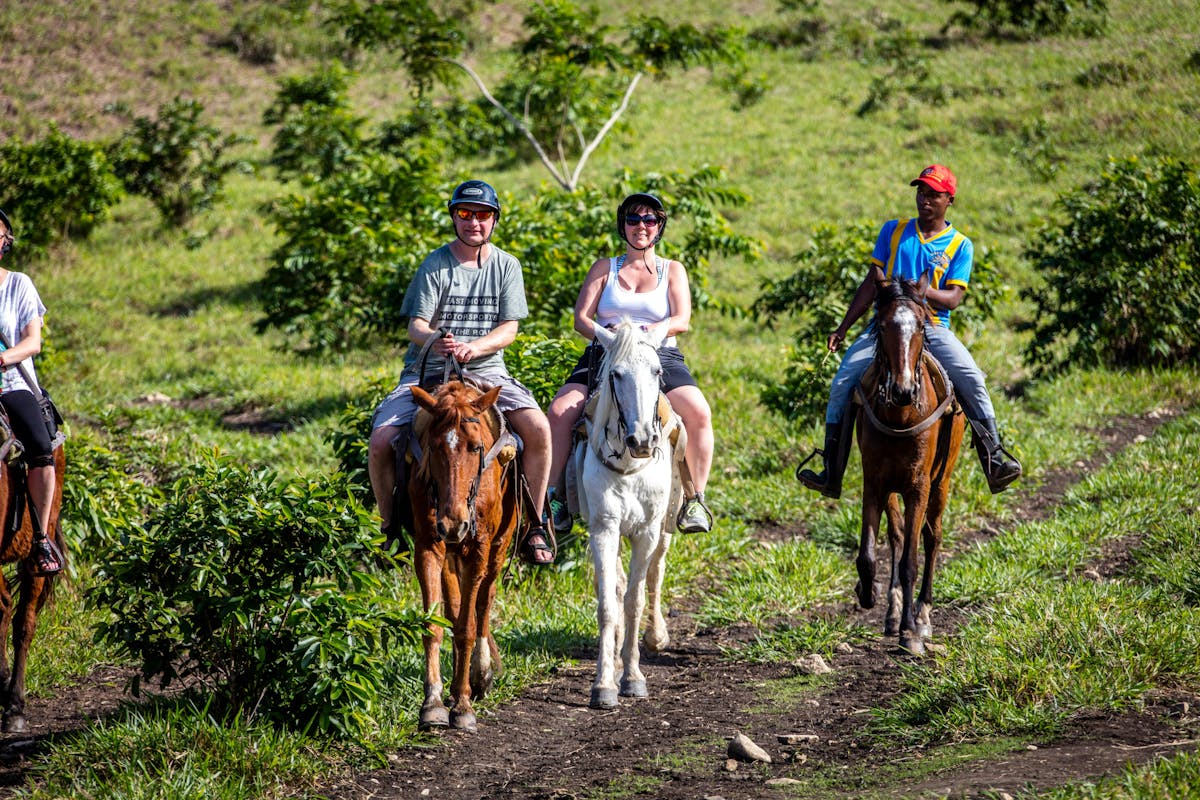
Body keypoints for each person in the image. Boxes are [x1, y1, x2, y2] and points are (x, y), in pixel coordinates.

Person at [797, 165, 1022, 498]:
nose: (925, 200)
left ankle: (994, 457)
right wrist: (843, 328)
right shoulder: (893, 231)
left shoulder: (960, 245)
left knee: (971, 376)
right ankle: (831, 468)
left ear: (950, 200)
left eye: (933, 194)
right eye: (921, 192)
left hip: (932, 327)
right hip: (885, 327)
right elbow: (871, 283)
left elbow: (954, 298)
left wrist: (914, 292)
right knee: (844, 379)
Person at [367, 180, 555, 566]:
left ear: (494, 220)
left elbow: (510, 329)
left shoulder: (507, 266)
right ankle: (387, 530)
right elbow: (415, 325)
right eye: (465, 213)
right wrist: (434, 339)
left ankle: (536, 522)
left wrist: (477, 347)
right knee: (382, 441)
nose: (474, 222)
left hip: (488, 372)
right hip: (431, 375)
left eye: (483, 214)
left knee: (539, 429)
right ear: (454, 217)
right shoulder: (435, 265)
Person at [545, 192, 715, 534]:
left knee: (699, 412)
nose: (641, 226)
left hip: (658, 354)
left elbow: (682, 318)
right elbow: (580, 317)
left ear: (659, 227)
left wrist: (655, 330)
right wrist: (608, 337)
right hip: (606, 353)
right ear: (623, 226)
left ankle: (695, 498)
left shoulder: (673, 269)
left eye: (650, 220)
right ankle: (554, 499)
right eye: (634, 219)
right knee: (561, 411)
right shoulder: (604, 267)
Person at [0, 209, 64, 575]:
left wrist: (2, 358)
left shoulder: (19, 285)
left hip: (11, 384)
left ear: (6, 243)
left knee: (41, 449)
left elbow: (32, 342)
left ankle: (41, 538)